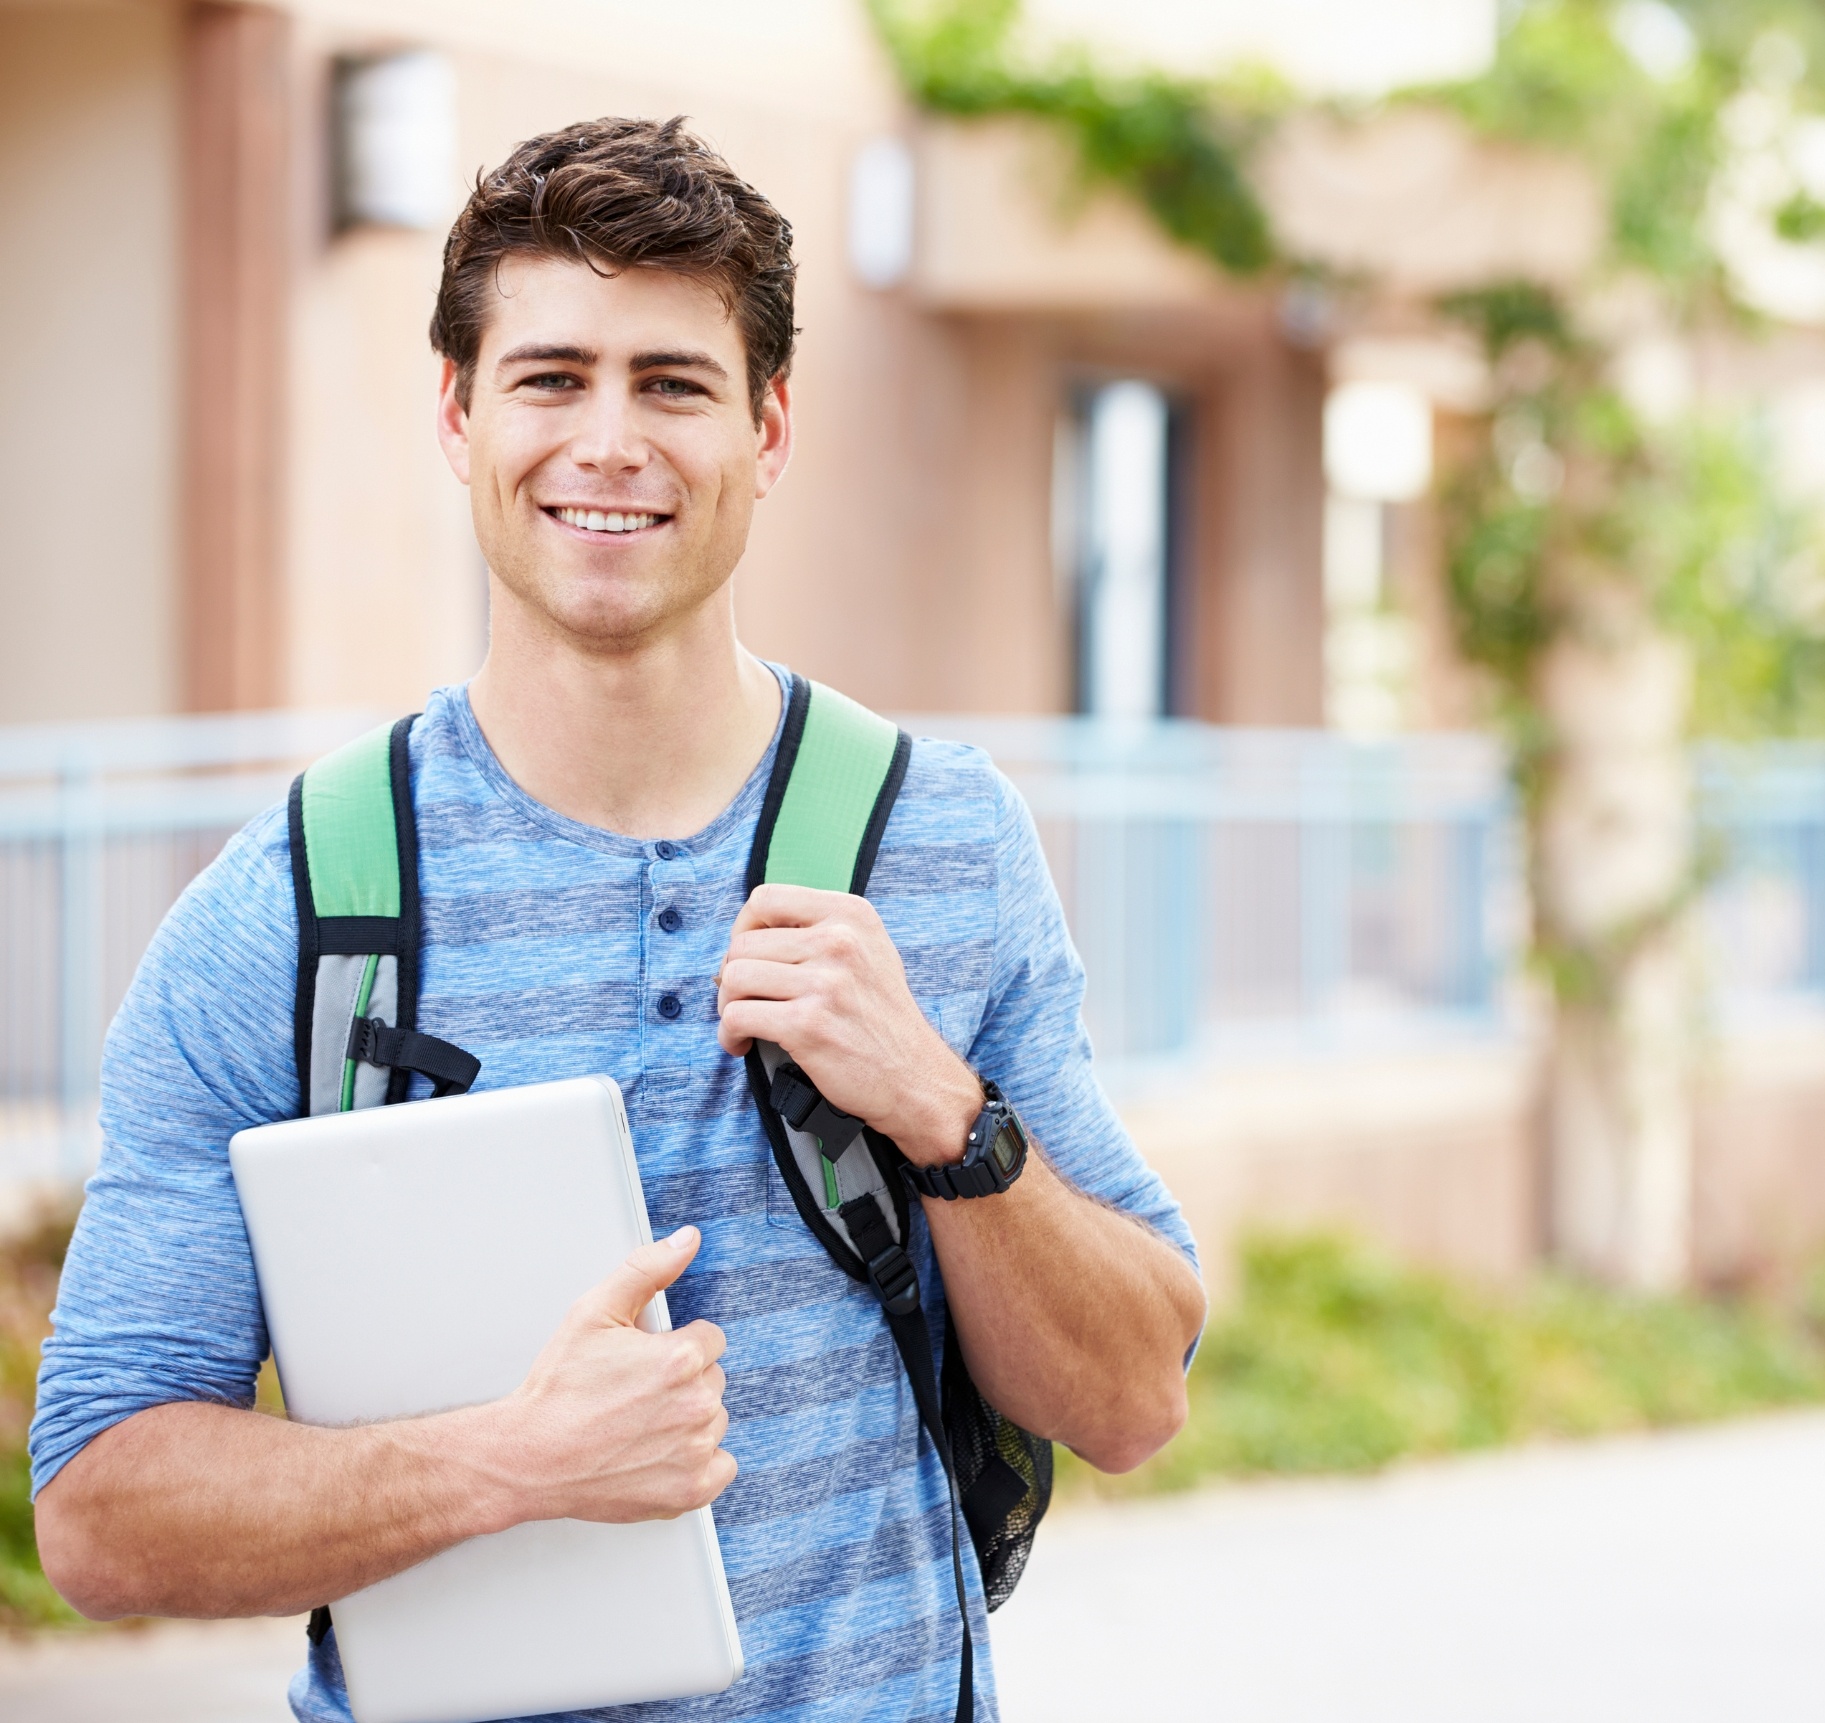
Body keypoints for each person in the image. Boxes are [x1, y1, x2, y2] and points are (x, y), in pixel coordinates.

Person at [29, 116, 1206, 1722]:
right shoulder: (295, 906)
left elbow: (1135, 1396)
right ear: (458, 414)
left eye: (672, 383)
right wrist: (505, 1465)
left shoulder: (938, 839)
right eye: (550, 377)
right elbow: (98, 1511)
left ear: (769, 427)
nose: (609, 440)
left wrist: (944, 1112)